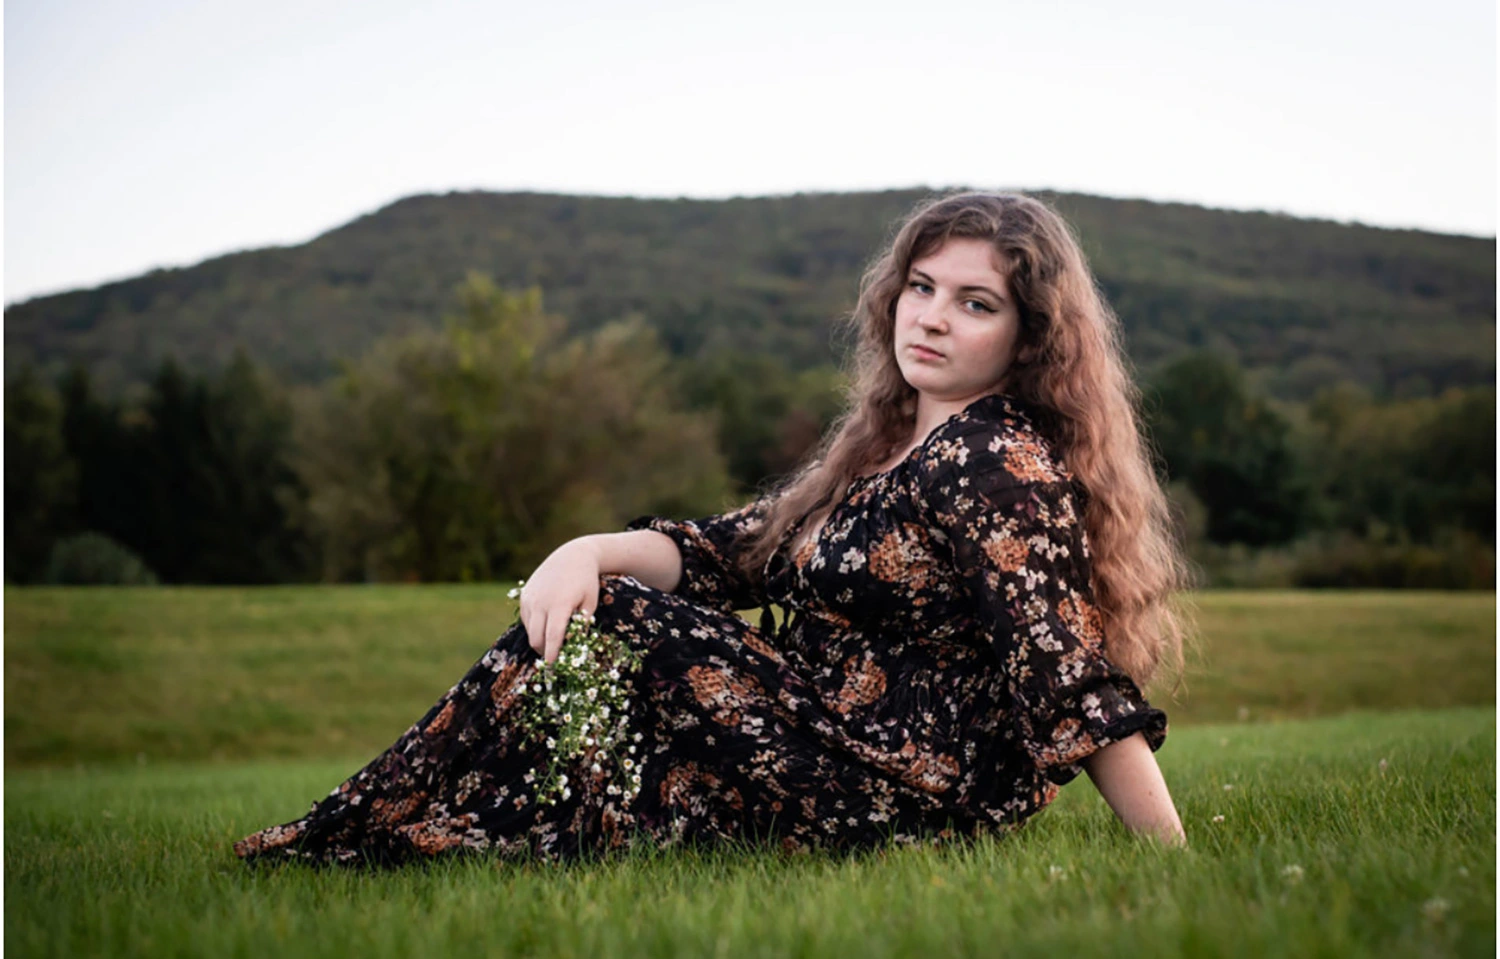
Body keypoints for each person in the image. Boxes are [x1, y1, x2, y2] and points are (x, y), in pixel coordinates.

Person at [234, 191, 1189, 867]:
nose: (932, 318)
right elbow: (734, 553)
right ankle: (410, 832)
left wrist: (1170, 859)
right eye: (922, 287)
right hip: (819, 741)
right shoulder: (887, 441)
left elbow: (1065, 668)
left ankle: (364, 830)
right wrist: (585, 549)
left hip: (904, 783)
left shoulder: (994, 460)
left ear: (1028, 338)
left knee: (625, 623)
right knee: (608, 692)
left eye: (975, 303)